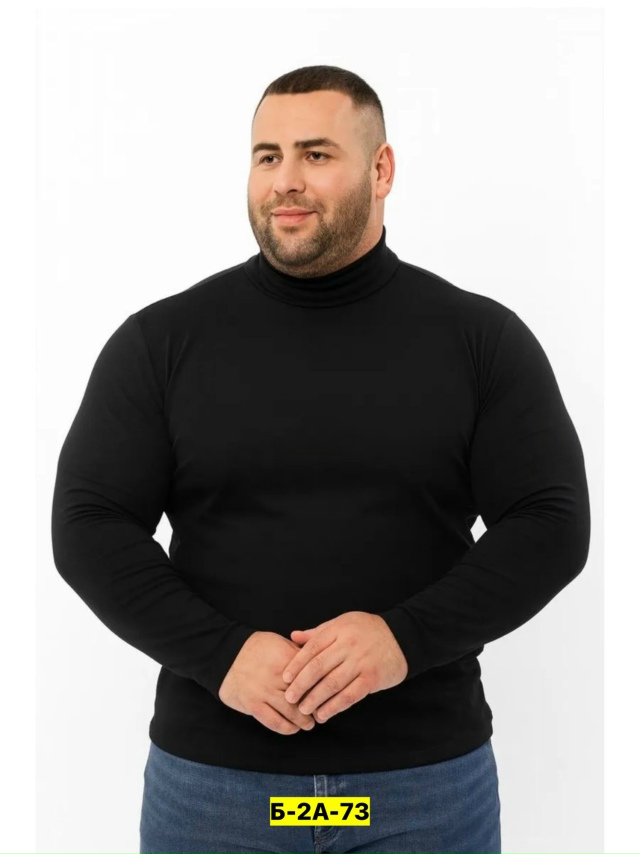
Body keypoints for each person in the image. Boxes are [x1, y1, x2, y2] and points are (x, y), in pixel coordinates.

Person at [51, 64, 591, 854]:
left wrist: (403, 639)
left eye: (316, 154)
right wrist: (221, 655)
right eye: (267, 156)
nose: (286, 181)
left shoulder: (480, 340)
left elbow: (551, 520)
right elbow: (89, 522)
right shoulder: (162, 342)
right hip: (214, 787)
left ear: (382, 169)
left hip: (424, 787)